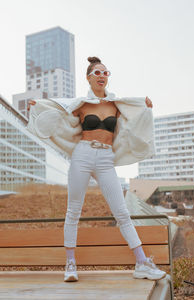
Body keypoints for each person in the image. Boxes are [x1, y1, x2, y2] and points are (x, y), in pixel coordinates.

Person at [28, 56, 166, 282]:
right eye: (97, 73)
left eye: (105, 73)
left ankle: (142, 263)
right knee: (73, 211)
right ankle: (70, 264)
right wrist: (38, 107)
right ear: (88, 78)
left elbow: (134, 118)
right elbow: (59, 112)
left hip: (105, 158)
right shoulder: (81, 104)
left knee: (121, 212)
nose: (102, 76)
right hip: (82, 155)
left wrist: (144, 106)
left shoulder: (116, 105)